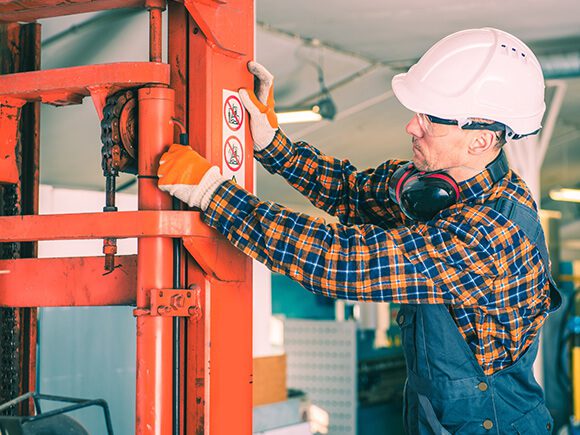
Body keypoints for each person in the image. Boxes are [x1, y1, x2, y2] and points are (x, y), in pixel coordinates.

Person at [158, 28, 561, 434]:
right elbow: (352, 191)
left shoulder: (492, 235)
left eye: (430, 119)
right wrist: (272, 145)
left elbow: (343, 261)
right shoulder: (437, 186)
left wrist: (215, 194)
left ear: (480, 140)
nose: (411, 127)